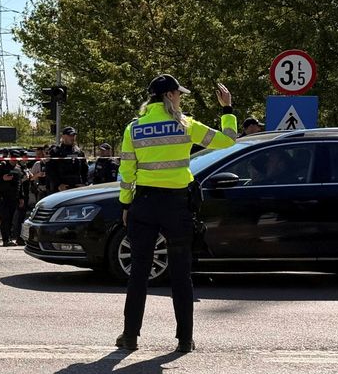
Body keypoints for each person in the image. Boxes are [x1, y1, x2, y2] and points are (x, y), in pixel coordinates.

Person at [116, 74, 237, 354]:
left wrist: (125, 205)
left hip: (143, 204)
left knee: (139, 274)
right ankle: (185, 340)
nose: (181, 98)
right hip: (176, 206)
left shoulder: (133, 128)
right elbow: (229, 141)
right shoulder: (186, 125)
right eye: (179, 94)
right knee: (181, 274)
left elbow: (126, 172)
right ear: (170, 95)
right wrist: (227, 109)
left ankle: (130, 336)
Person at [0, 150, 27, 247]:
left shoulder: (18, 168)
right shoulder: (1, 166)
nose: (14, 161)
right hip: (3, 197)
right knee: (5, 219)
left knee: (11, 220)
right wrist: (2, 179)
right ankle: (6, 240)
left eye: (16, 159)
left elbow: (20, 184)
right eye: (13, 158)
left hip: (14, 198)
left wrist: (21, 197)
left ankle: (11, 238)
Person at [46, 127, 89, 193]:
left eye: (74, 135)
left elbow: (85, 169)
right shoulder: (55, 152)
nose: (72, 138)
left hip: (77, 188)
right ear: (63, 136)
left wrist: (84, 183)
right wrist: (58, 185)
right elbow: (50, 170)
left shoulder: (79, 152)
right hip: (61, 189)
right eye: (70, 135)